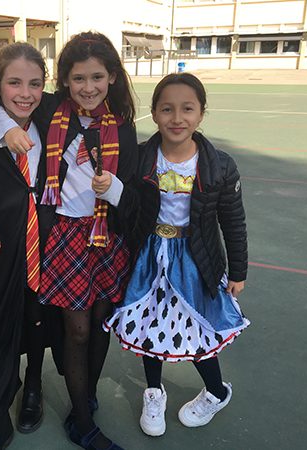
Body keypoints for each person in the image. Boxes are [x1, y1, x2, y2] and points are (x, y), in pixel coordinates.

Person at [0, 32, 138, 450]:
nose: (88, 87)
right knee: (78, 330)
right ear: (65, 81)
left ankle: (84, 397)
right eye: (78, 78)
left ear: (112, 77)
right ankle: (83, 425)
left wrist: (115, 189)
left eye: (97, 77)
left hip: (107, 236)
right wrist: (6, 129)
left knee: (101, 324)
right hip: (65, 235)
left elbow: (135, 198)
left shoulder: (123, 127)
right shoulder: (53, 110)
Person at [104, 72, 250, 437]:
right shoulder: (140, 158)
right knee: (148, 325)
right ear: (154, 113)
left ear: (201, 113)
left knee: (198, 330)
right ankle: (154, 392)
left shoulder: (220, 166)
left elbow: (233, 222)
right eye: (167, 109)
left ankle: (216, 392)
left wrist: (238, 271)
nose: (177, 118)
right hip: (149, 256)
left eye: (187, 109)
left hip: (195, 259)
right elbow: (128, 209)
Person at [0, 42, 63, 450]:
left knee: (37, 320)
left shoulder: (52, 118)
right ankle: (0, 413)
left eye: (35, 84)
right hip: (2, 251)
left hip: (46, 244)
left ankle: (34, 387)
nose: (25, 93)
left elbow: (89, 99)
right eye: (14, 83)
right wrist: (1, 123)